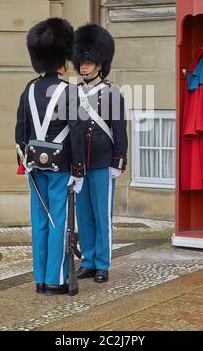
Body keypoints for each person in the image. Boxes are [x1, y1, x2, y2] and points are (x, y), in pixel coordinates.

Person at [15, 18, 85, 295]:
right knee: (59, 222)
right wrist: (78, 169)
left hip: (33, 164)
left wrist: (24, 160)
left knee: (40, 222)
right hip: (62, 166)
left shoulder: (28, 89)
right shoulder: (69, 91)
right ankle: (56, 280)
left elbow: (20, 130)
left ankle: (40, 279)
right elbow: (77, 133)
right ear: (63, 61)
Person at [72, 24, 128, 283]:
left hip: (103, 163)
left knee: (102, 216)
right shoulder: (73, 92)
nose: (84, 66)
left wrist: (119, 159)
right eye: (81, 61)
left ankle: (103, 264)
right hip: (80, 164)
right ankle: (89, 261)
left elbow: (119, 128)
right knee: (83, 216)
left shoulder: (112, 91)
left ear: (100, 63)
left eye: (89, 61)